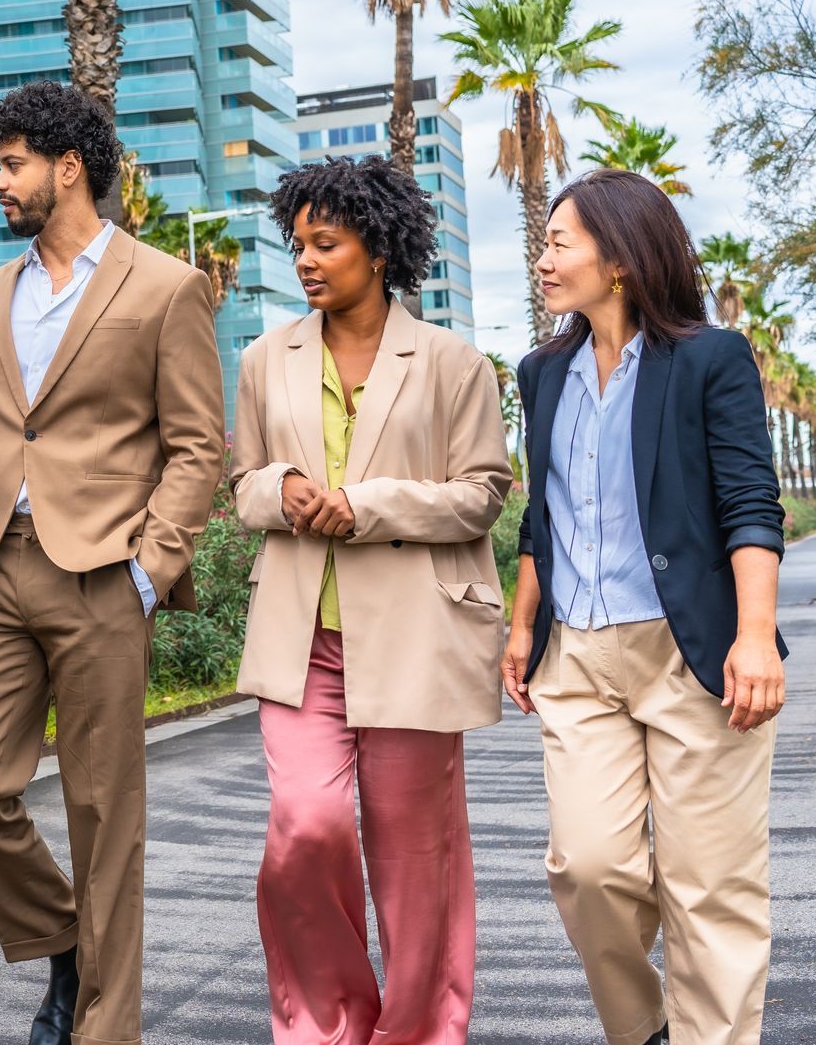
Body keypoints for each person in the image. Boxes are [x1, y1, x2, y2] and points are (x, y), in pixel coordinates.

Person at [0, 80, 227, 1045]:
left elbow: (198, 447)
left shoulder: (163, 285)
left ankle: (106, 1030)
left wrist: (149, 570)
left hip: (104, 571)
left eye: (12, 163)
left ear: (68, 168)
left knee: (105, 815)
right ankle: (65, 942)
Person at [228, 156, 511, 1044]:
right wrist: (283, 489)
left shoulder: (453, 362)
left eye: (328, 242)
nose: (306, 260)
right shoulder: (264, 359)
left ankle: (422, 1030)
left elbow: (483, 491)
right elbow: (241, 484)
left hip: (416, 636)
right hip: (301, 636)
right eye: (298, 244)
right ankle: (326, 1023)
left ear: (378, 249)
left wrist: (368, 503)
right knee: (305, 827)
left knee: (415, 858)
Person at [504, 169, 787, 1045]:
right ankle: (642, 1030)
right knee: (588, 867)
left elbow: (750, 503)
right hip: (577, 656)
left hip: (691, 650)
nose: (542, 258)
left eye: (560, 242)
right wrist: (521, 628)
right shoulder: (542, 371)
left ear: (619, 258)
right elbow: (542, 512)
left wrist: (753, 638)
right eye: (545, 242)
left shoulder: (710, 358)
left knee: (712, 889)